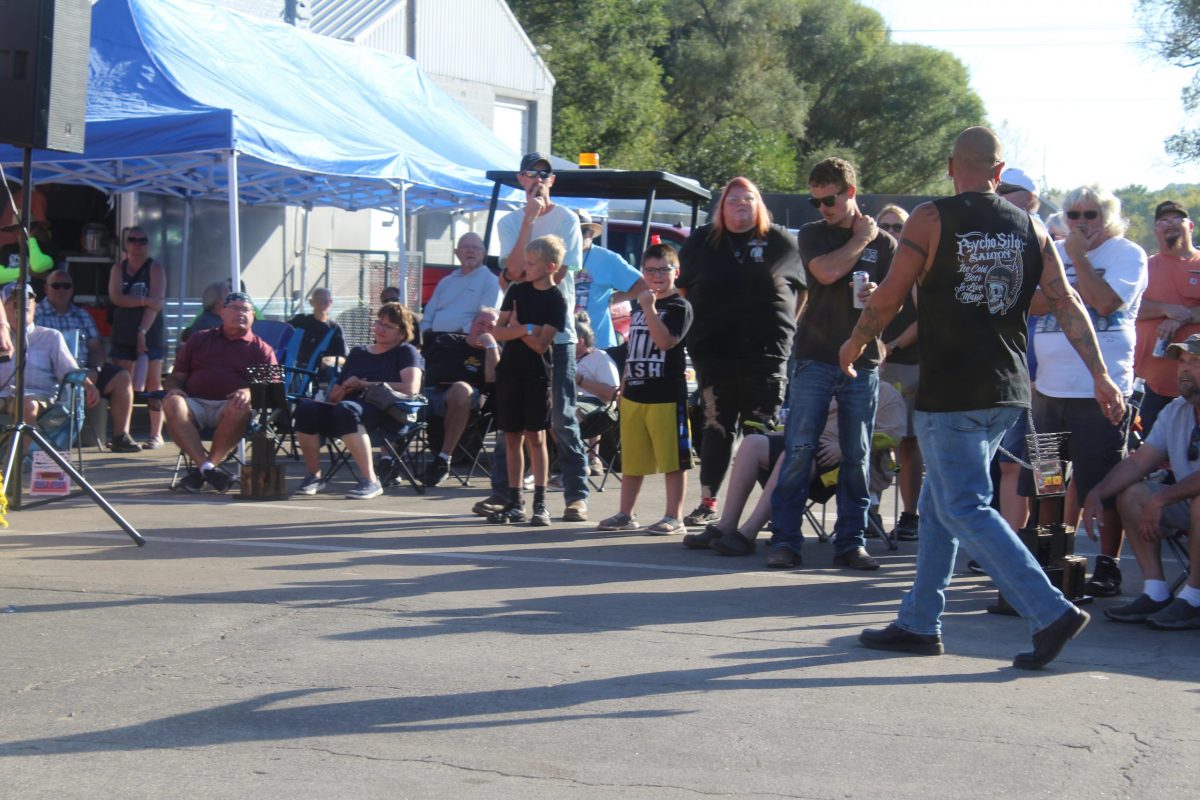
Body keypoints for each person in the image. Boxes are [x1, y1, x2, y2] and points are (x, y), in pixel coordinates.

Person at [840, 126, 1124, 670]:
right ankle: (919, 621)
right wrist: (1101, 374)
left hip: (953, 390)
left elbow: (892, 294)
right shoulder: (1030, 225)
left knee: (963, 505)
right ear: (998, 172)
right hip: (1006, 390)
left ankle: (1050, 610)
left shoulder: (930, 218)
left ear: (952, 166)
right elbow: (1066, 302)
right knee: (938, 504)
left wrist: (855, 341)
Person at [764, 157, 894, 571]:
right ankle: (785, 541)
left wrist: (878, 296)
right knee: (799, 449)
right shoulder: (814, 233)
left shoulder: (885, 245)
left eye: (829, 200)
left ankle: (851, 542)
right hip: (815, 357)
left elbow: (897, 302)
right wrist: (861, 239)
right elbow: (825, 272)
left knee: (856, 455)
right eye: (815, 201)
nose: (823, 208)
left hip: (863, 360)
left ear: (850, 192)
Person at [1027, 185, 1147, 598]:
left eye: (1090, 214)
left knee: (1104, 483)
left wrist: (1076, 262)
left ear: (1108, 216)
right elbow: (1031, 303)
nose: (1081, 222)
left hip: (1101, 391)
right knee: (1047, 482)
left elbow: (1107, 301)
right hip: (1049, 390)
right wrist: (1069, 292)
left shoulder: (1126, 254)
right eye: (1074, 214)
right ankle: (1049, 558)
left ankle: (1107, 564)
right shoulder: (1053, 252)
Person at [676, 177, 805, 527]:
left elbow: (802, 291)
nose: (740, 206)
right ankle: (708, 502)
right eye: (733, 200)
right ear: (722, 206)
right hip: (713, 350)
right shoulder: (702, 240)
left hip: (766, 352)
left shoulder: (780, 240)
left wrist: (787, 328)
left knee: (761, 429)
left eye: (748, 199)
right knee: (716, 425)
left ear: (759, 204)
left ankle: (772, 510)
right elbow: (683, 289)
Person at [688, 381, 905, 556]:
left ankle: (748, 533)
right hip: (810, 444)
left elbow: (893, 434)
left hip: (846, 459)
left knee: (794, 455)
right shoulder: (827, 384)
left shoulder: (885, 392)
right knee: (752, 443)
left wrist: (845, 447)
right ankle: (726, 525)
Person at [492, 152, 589, 523]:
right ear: (520, 178)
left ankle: (575, 496)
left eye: (545, 174)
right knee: (510, 424)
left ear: (553, 180)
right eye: (531, 173)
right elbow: (513, 271)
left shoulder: (566, 218)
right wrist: (529, 220)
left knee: (560, 418)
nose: (538, 179)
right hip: (517, 338)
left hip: (557, 336)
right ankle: (507, 496)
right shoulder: (509, 222)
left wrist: (531, 318)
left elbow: (558, 271)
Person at [1083, 334, 1200, 630]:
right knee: (1132, 494)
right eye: (1182, 362)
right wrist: (1097, 493)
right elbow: (1139, 462)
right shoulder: (1175, 411)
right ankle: (1156, 591)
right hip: (1187, 504)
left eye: (1195, 361)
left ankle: (1194, 598)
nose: (1184, 369)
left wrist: (1162, 499)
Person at [596, 244, 693, 534]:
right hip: (635, 394)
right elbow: (633, 349)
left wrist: (650, 308)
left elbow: (665, 342)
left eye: (663, 270)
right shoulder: (640, 306)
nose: (657, 276)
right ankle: (626, 513)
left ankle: (674, 516)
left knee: (673, 460)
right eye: (650, 271)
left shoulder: (679, 307)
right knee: (633, 460)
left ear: (676, 272)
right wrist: (624, 385)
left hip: (665, 395)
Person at [294, 302, 423, 500]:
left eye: (389, 326)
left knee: (346, 409)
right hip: (347, 410)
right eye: (379, 323)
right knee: (306, 409)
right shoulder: (358, 352)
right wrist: (346, 387)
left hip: (387, 413)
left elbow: (411, 388)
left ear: (402, 332)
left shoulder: (406, 352)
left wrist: (364, 384)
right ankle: (314, 475)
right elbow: (333, 396)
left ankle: (370, 480)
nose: (381, 329)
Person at [487, 235, 568, 526]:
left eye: (532, 264)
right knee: (512, 436)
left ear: (550, 266)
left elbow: (541, 346)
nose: (526, 268)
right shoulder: (516, 290)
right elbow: (497, 331)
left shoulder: (556, 299)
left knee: (536, 436)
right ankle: (515, 501)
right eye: (526, 262)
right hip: (510, 371)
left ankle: (540, 503)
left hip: (537, 374)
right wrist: (526, 329)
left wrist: (519, 327)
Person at [160, 292, 276, 493]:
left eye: (246, 310)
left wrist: (250, 391)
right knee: (172, 402)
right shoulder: (199, 339)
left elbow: (273, 389)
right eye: (235, 308)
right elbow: (175, 377)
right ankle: (208, 469)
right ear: (222, 312)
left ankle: (204, 469)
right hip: (195, 404)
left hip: (230, 408)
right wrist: (174, 389)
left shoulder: (261, 349)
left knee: (241, 404)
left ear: (253, 316)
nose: (241, 313)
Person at [35, 269, 140, 452]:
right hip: (50, 373)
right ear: (46, 289)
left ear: (72, 289)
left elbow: (96, 347)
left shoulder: (82, 315)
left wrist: (96, 369)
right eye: (56, 286)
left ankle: (120, 436)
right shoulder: (36, 314)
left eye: (66, 286)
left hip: (83, 372)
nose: (62, 290)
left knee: (122, 377)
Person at [876, 203, 922, 542]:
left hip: (909, 364)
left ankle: (910, 516)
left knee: (907, 443)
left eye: (898, 227)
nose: (891, 232)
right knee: (873, 441)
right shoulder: (870, 263)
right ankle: (868, 510)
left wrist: (890, 346)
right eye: (886, 226)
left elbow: (926, 319)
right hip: (872, 364)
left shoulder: (916, 267)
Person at [1133, 200, 1200, 435]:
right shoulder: (1144, 267)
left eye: (1177, 218)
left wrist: (1181, 318)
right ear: (1156, 231)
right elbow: (1125, 307)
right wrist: (1164, 309)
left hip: (1196, 387)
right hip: (1151, 384)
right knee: (1150, 448)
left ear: (1190, 226)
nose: (1169, 224)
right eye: (1163, 220)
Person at [0, 282, 100, 438]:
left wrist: (90, 386)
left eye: (27, 300)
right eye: (14, 301)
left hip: (37, 396)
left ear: (35, 306)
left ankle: (16, 454)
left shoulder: (50, 336)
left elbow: (70, 371)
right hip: (3, 395)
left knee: (27, 405)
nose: (22, 305)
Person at [419, 307, 500, 487]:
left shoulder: (493, 352)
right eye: (481, 323)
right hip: (427, 395)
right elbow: (418, 362)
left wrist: (491, 346)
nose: (483, 329)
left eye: (491, 327)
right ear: (472, 323)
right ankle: (388, 461)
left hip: (465, 401)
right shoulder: (445, 340)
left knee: (461, 389)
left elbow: (493, 380)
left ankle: (443, 459)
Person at [108, 226, 166, 448]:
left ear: (148, 244)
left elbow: (156, 304)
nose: (137, 244)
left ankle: (156, 434)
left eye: (142, 240)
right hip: (123, 330)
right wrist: (143, 300)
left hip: (150, 329)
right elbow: (116, 297)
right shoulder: (118, 268)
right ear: (126, 244)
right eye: (133, 240)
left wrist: (142, 332)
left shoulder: (155, 268)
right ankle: (122, 432)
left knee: (153, 382)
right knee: (123, 380)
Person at [575, 210, 646, 350]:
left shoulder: (607, 258)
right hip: (565, 342)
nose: (574, 235)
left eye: (580, 231)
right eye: (570, 230)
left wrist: (613, 298)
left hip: (598, 344)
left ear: (590, 233)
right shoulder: (558, 255)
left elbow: (642, 284)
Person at [420, 233, 502, 336]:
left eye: (475, 247)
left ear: (484, 253)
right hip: (434, 339)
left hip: (466, 340)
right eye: (465, 247)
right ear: (456, 253)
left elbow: (488, 320)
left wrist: (454, 337)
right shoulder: (445, 282)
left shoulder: (491, 282)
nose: (470, 250)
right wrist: (427, 333)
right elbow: (428, 316)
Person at [574, 318, 620, 475]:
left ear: (580, 340)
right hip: (570, 402)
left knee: (567, 412)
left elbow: (613, 394)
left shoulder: (600, 357)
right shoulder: (565, 359)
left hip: (598, 407)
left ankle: (583, 460)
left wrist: (580, 380)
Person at [286, 286, 347, 376]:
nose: (322, 305)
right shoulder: (299, 320)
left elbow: (343, 358)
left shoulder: (335, 329)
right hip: (293, 369)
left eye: (325, 301)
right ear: (311, 302)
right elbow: (281, 334)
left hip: (318, 374)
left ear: (330, 303)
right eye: (318, 300)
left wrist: (330, 360)